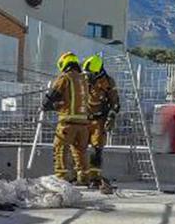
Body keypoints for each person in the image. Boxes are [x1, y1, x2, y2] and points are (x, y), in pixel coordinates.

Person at [43, 51, 90, 184]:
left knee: (60, 148)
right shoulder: (83, 80)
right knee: (80, 150)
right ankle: (84, 177)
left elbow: (54, 94)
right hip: (83, 123)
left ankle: (61, 178)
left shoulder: (65, 77)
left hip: (67, 123)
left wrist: (46, 104)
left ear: (64, 64)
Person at [82, 54, 119, 194]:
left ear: (97, 71)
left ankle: (95, 178)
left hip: (99, 120)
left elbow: (115, 102)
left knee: (97, 148)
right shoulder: (84, 81)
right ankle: (81, 176)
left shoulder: (108, 82)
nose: (87, 76)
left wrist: (111, 116)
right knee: (79, 148)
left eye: (90, 73)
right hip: (84, 119)